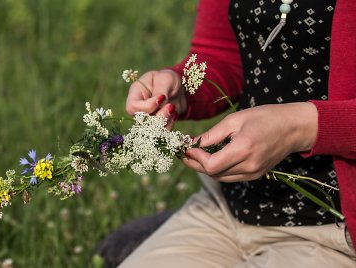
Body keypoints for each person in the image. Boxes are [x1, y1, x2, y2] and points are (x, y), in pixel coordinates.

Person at [120, 0, 356, 267]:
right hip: (226, 209)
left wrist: (300, 127)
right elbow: (224, 52)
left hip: (334, 233)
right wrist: (180, 87)